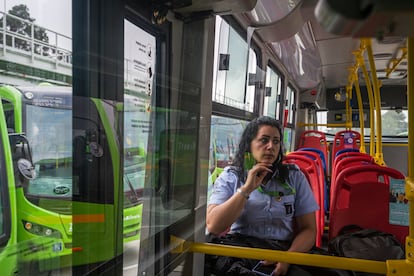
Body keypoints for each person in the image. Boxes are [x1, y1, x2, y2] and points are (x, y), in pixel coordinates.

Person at [205, 116, 319, 276]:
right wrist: (247, 189)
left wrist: (287, 258)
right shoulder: (232, 176)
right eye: (264, 140)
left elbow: (309, 229)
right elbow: (214, 226)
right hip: (242, 249)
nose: (270, 146)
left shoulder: (293, 177)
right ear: (249, 144)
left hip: (285, 250)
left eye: (276, 141)